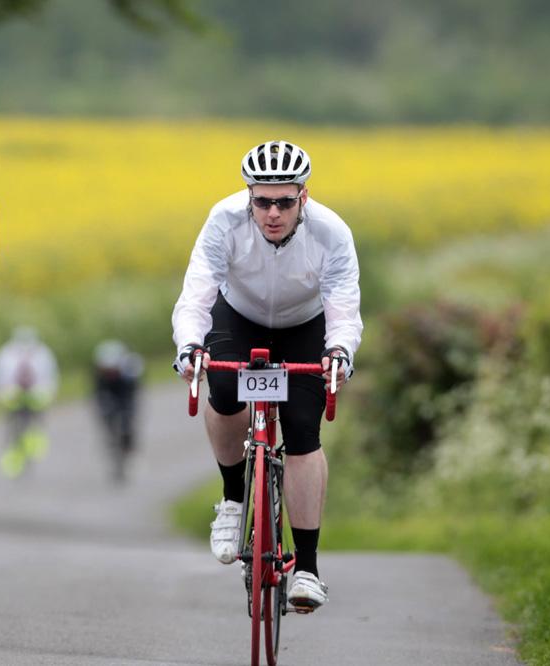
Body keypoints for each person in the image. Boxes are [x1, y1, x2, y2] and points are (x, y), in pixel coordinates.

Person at [171, 140, 362, 611]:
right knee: (222, 385)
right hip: (239, 316)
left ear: (304, 197)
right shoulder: (224, 221)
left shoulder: (332, 233)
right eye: (262, 201)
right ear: (249, 196)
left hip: (304, 326)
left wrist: (339, 351)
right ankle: (234, 499)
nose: (272, 212)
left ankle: (309, 569)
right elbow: (196, 293)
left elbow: (343, 307)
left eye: (284, 201)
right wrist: (189, 346)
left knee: (301, 431)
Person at [0, 327, 59, 478]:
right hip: (13, 397)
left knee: (36, 423)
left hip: (36, 396)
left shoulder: (43, 354)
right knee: (13, 426)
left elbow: (50, 376)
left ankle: (32, 447)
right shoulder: (5, 355)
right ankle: (14, 453)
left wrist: (45, 394)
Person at [92, 339, 144, 483]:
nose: (110, 373)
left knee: (128, 424)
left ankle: (129, 448)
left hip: (125, 396)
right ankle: (114, 452)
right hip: (110, 397)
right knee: (108, 425)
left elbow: (133, 394)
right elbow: (97, 394)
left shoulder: (130, 371)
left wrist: (128, 410)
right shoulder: (99, 375)